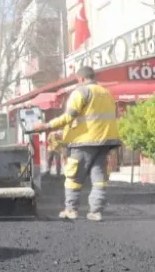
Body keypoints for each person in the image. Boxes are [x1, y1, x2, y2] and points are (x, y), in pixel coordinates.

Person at [31, 66, 120, 222]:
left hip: (84, 143)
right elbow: (100, 118)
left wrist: (46, 126)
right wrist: (64, 133)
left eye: (78, 81)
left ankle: (71, 210)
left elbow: (69, 117)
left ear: (81, 79)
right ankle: (96, 212)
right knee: (99, 178)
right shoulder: (106, 93)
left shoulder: (81, 92)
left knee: (73, 177)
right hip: (104, 142)